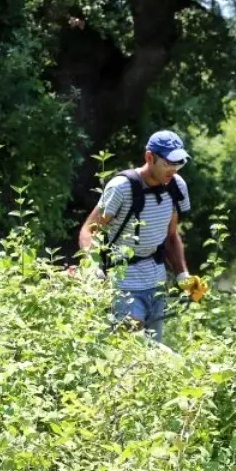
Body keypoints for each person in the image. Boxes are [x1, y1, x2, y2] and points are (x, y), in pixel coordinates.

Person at [77, 131, 207, 342]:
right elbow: (88, 230)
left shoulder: (176, 186)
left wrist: (183, 275)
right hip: (123, 284)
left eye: (179, 164)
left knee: (151, 355)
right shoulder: (121, 187)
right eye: (168, 163)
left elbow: (171, 236)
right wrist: (92, 266)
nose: (173, 170)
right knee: (134, 348)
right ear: (149, 157)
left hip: (156, 283)